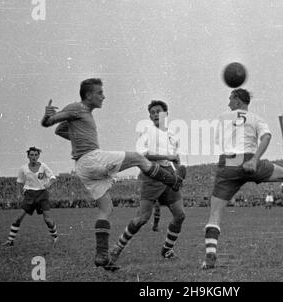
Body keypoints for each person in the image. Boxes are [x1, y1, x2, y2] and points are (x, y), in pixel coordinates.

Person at [40, 78, 186, 271]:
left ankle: (102, 256)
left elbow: (60, 130)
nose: (103, 96)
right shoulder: (78, 108)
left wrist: (73, 133)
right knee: (137, 158)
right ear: (89, 94)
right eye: (100, 92)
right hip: (93, 159)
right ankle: (173, 181)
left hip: (84, 166)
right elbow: (50, 122)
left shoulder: (84, 114)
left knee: (106, 208)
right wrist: (47, 117)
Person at [202, 88, 283, 270]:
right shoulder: (257, 118)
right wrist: (254, 160)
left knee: (215, 213)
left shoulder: (222, 118)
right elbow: (266, 137)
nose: (228, 103)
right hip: (250, 159)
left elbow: (218, 139)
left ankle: (210, 255)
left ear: (237, 100)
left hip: (228, 163)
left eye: (230, 99)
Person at [109, 100, 186, 263]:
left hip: (169, 175)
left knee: (180, 215)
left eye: (158, 111)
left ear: (166, 113)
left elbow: (177, 158)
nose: (155, 114)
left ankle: (167, 250)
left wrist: (179, 174)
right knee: (143, 218)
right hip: (152, 175)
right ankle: (118, 247)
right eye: (152, 112)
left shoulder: (173, 136)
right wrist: (167, 156)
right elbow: (143, 155)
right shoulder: (146, 133)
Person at [2, 147, 58, 246]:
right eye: (32, 155)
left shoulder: (43, 166)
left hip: (42, 194)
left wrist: (49, 183)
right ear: (28, 156)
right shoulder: (23, 168)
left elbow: (53, 177)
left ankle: (55, 238)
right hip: (29, 195)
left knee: (48, 220)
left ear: (38, 156)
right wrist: (19, 194)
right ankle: (10, 241)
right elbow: (19, 182)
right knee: (18, 218)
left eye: (36, 155)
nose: (34, 157)